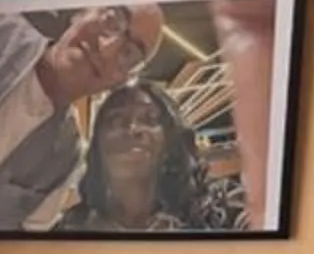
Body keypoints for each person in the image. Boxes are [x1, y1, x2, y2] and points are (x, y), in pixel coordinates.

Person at [0, 0, 164, 230]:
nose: (106, 48)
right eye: (112, 20)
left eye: (129, 53)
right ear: (81, 12)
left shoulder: (65, 156)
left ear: (120, 81)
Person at [54, 82, 220, 233]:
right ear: (97, 145)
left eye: (150, 119)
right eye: (116, 120)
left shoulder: (216, 206)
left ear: (171, 141)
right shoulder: (72, 227)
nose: (132, 129)